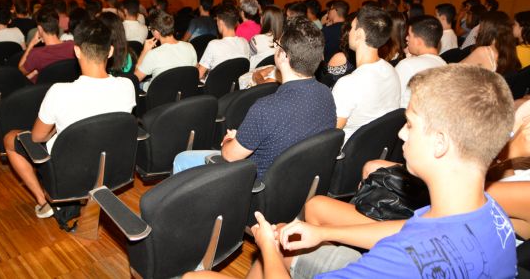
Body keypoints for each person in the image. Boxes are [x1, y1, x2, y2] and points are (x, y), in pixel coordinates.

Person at [186, 65, 518, 279]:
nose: (401, 133)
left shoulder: (399, 264)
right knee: (296, 233)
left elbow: (405, 249)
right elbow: (406, 230)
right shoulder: (487, 211)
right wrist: (325, 233)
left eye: (412, 124)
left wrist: (268, 248)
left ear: (440, 143)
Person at [173, 16, 336, 179]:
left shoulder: (267, 108)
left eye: (277, 45)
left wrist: (230, 141)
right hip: (297, 183)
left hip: (254, 184)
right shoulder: (327, 95)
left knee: (182, 159)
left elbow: (230, 155)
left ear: (283, 56)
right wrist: (245, 137)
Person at [3, 20, 136, 218]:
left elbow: (38, 138)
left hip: (69, 173)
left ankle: (43, 202)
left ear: (76, 51)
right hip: (114, 166)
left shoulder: (59, 92)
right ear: (109, 52)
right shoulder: (127, 85)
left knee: (9, 138)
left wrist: (56, 127)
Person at [332, 5, 400, 144]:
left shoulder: (349, 84)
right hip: (377, 150)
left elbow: (329, 136)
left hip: (345, 158)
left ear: (359, 34)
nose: (349, 32)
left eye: (351, 27)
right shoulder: (392, 71)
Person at [134, 10, 197, 89]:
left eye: (150, 29)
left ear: (156, 32)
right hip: (183, 94)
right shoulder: (190, 47)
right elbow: (195, 73)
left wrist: (144, 51)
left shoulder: (153, 54)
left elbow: (135, 79)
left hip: (158, 97)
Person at [395, 15, 446, 108]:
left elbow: (389, 100)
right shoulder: (444, 65)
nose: (406, 38)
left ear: (418, 41)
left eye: (409, 35)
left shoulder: (407, 65)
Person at [18, 6, 75, 82]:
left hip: (43, 91)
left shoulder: (36, 54)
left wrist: (31, 44)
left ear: (40, 29)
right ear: (57, 25)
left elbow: (21, 70)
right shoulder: (72, 46)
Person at [197, 5, 249, 81]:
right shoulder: (244, 42)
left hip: (214, 90)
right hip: (237, 90)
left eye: (217, 20)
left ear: (221, 22)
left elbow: (199, 74)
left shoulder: (214, 45)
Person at [461, 10, 520, 75]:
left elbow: (453, 72)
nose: (477, 29)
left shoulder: (484, 52)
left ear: (488, 29)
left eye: (481, 26)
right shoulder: (510, 51)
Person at [249, 6, 283, 70]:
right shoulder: (285, 40)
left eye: (261, 16)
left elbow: (248, 59)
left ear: (265, 20)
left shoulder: (256, 40)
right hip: (276, 75)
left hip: (255, 75)